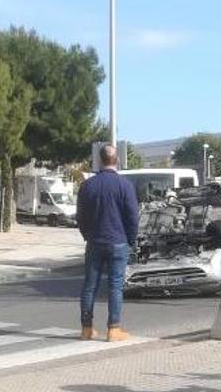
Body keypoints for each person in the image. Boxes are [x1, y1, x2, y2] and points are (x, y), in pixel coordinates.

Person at [77, 144, 139, 342]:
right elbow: (132, 217)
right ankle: (114, 329)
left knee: (89, 286)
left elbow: (80, 217)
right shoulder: (125, 185)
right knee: (115, 286)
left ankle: (86, 328)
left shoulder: (87, 185)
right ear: (117, 160)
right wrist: (131, 239)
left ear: (100, 161)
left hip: (94, 241)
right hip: (118, 241)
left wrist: (87, 235)